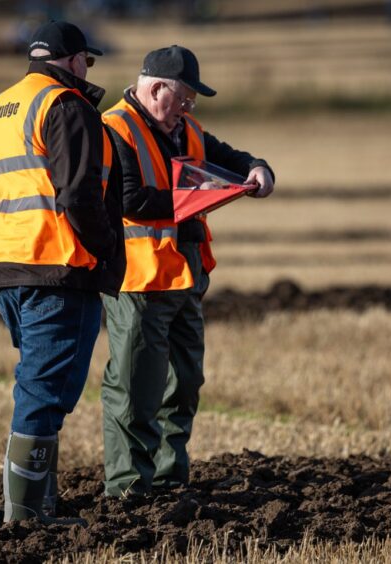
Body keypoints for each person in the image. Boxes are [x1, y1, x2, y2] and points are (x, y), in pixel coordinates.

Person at [100, 45, 274, 497]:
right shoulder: (114, 129)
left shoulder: (185, 129)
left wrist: (255, 169)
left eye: (191, 104)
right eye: (183, 100)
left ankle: (168, 478)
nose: (187, 110)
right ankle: (128, 489)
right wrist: (200, 198)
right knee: (135, 387)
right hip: (139, 281)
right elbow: (130, 200)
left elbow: (226, 155)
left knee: (184, 383)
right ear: (156, 89)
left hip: (186, 277)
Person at [0, 20, 125, 524]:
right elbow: (78, 193)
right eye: (88, 60)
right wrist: (105, 251)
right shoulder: (68, 106)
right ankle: (28, 515)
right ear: (74, 59)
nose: (89, 69)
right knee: (44, 387)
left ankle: (40, 501)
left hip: (1, 265)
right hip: (54, 265)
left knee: (38, 378)